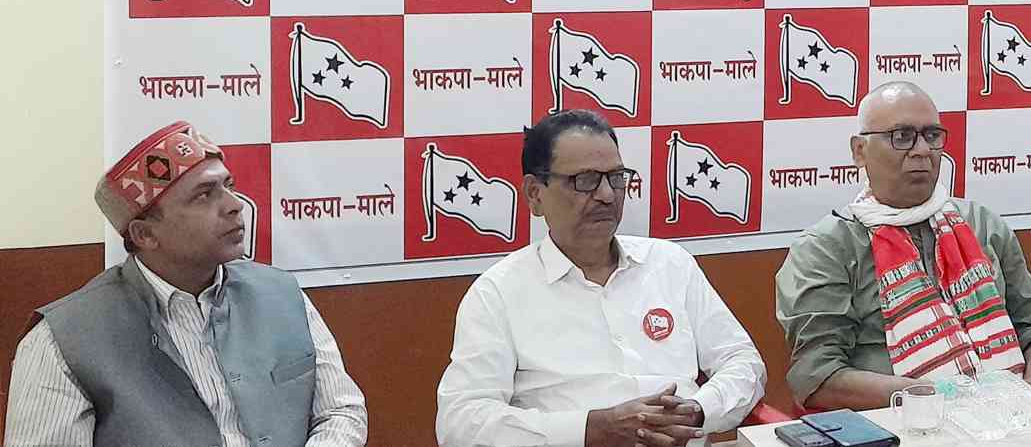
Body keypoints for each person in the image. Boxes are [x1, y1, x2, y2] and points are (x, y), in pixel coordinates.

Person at [3, 121, 368, 447]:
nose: (235, 205)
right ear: (145, 235)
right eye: (204, 195)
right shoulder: (63, 340)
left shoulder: (282, 295)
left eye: (228, 186)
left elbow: (341, 411)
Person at [436, 110, 765, 447]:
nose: (607, 194)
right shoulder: (498, 292)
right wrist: (591, 429)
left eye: (617, 177)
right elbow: (461, 422)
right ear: (535, 194)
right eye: (585, 180)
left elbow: (744, 364)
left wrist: (697, 411)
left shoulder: (670, 264)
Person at [775, 81, 1031, 411]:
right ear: (859, 151)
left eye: (932, 135)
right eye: (902, 137)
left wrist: (1027, 395)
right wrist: (940, 397)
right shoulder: (825, 248)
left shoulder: (982, 225)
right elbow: (818, 376)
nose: (922, 150)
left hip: (1012, 417)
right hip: (900, 422)